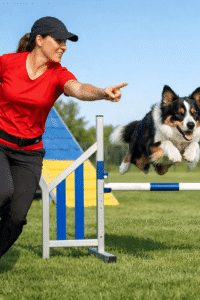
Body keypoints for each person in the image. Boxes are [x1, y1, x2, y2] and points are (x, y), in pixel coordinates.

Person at [0, 16, 128, 259]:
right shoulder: (7, 63)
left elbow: (78, 88)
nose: (64, 46)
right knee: (2, 193)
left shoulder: (57, 73)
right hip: (0, 144)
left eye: (66, 42)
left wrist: (102, 92)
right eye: (58, 40)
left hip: (30, 153)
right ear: (39, 40)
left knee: (16, 218)